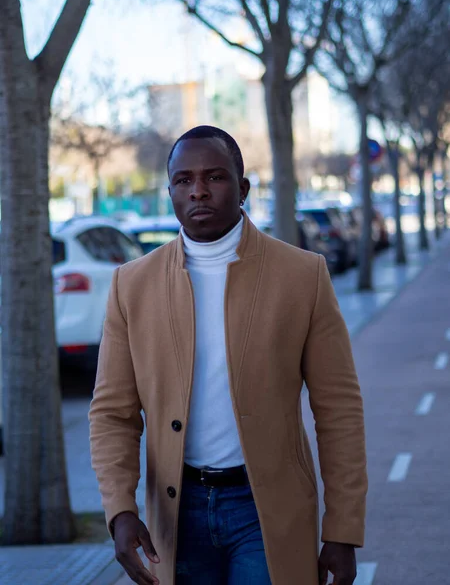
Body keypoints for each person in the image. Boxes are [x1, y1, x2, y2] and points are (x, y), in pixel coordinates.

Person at [89, 125, 368, 585]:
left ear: (242, 189)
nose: (198, 191)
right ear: (170, 191)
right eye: (183, 180)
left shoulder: (303, 275)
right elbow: (112, 414)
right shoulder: (131, 285)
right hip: (177, 513)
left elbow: (338, 409)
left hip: (267, 510)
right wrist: (120, 510)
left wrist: (343, 529)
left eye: (214, 177)